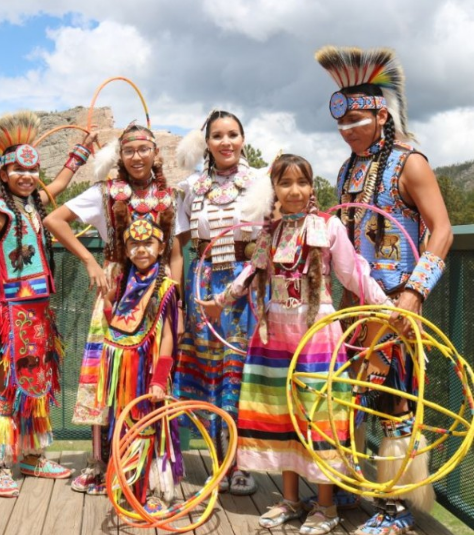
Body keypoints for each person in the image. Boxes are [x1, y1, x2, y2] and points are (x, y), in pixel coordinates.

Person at [198, 154, 395, 534]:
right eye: (285, 183)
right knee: (282, 412)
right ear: (274, 188)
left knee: (318, 415)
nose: (294, 191)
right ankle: (289, 499)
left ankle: (326, 506)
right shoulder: (269, 231)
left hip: (316, 334)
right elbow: (251, 272)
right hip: (275, 335)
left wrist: (386, 307)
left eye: (302, 182)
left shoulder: (328, 227)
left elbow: (353, 272)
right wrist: (220, 300)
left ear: (312, 186)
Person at [315, 46, 453, 535]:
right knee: (357, 393)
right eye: (341, 122)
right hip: (355, 304)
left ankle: (398, 508)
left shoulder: (409, 163)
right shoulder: (347, 171)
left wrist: (413, 293)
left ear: (380, 115)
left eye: (357, 118)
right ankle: (359, 486)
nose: (347, 129)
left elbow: (442, 230)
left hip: (396, 302)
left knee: (395, 397)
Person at [0, 111, 96, 497]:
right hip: (11, 315)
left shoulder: (37, 203)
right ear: (3, 173)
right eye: (18, 170)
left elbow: (60, 182)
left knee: (39, 383)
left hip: (41, 313)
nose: (27, 176)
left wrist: (80, 151)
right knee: (6, 385)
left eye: (32, 170)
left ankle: (30, 456)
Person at [44, 123, 182, 494]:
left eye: (143, 149)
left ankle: (145, 459)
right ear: (120, 156)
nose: (137, 157)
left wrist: (176, 297)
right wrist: (90, 262)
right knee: (102, 375)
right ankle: (96, 461)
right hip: (114, 291)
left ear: (155, 153)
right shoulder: (105, 193)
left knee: (152, 373)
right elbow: (53, 220)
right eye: (129, 151)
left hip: (157, 291)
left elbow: (175, 251)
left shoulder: (170, 197)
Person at [173, 110, 267, 495]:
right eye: (217, 136)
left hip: (249, 283)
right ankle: (216, 459)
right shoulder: (191, 186)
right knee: (211, 371)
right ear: (206, 142)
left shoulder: (261, 181)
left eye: (233, 134)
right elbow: (177, 246)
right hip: (204, 283)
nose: (226, 142)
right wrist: (179, 298)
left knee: (242, 370)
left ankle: (243, 463)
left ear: (243, 138)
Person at [96, 214, 182, 511]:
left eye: (149, 243)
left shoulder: (166, 287)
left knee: (151, 428)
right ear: (125, 248)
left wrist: (160, 378)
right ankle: (125, 483)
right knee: (123, 425)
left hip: (149, 371)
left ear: (161, 248)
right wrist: (107, 298)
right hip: (123, 371)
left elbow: (168, 336)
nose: (141, 249)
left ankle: (153, 490)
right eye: (134, 243)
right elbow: (112, 317)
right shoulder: (122, 282)